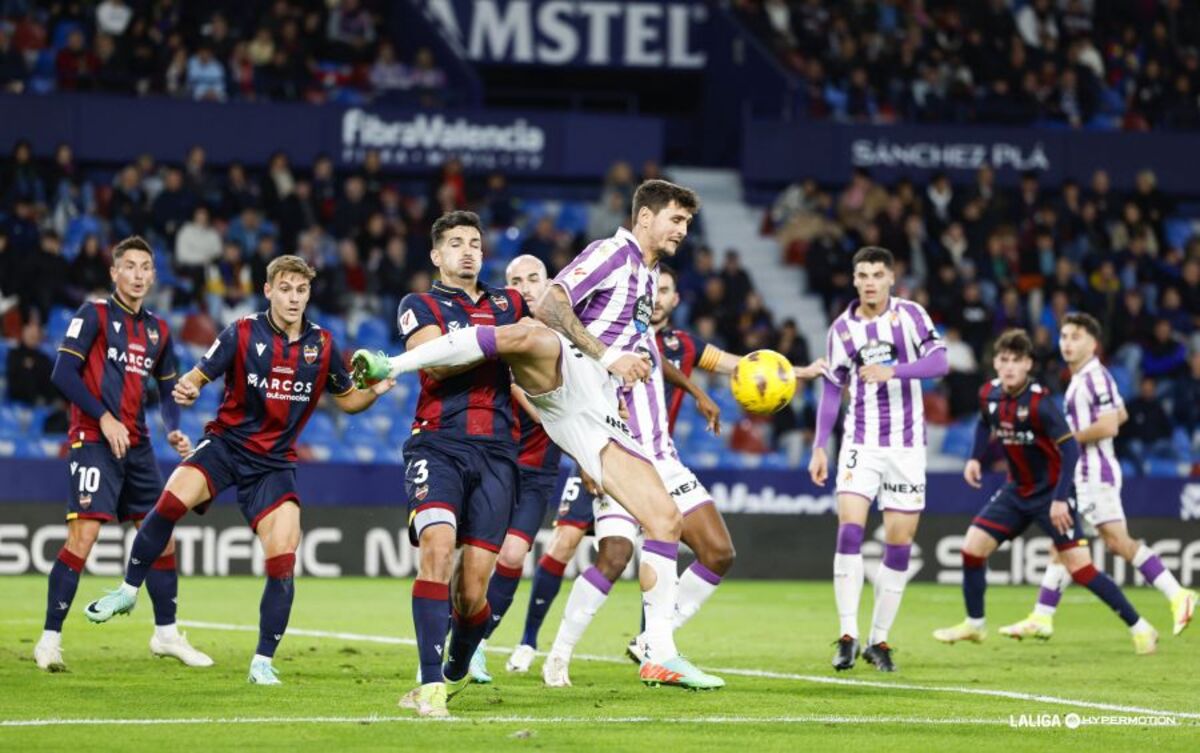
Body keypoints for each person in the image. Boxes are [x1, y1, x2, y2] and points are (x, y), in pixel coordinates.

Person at [354, 181, 726, 705]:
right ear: (644, 217)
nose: (682, 231)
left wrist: (634, 383)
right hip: (567, 373)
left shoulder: (649, 275)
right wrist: (604, 358)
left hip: (595, 407)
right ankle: (389, 362)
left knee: (664, 519)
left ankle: (658, 652)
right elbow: (553, 305)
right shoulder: (610, 254)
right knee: (532, 334)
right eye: (675, 220)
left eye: (686, 223)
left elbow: (635, 345)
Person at [83, 255, 393, 685]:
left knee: (284, 558)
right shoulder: (242, 332)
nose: (293, 298)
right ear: (268, 291)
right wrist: (189, 387)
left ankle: (262, 662)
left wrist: (374, 392)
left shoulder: (322, 344)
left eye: (301, 290)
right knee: (170, 499)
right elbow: (195, 377)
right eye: (285, 289)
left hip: (275, 464)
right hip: (226, 445)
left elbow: (347, 400)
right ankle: (128, 590)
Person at [34, 236, 210, 672]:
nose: (137, 274)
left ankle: (166, 634)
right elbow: (62, 371)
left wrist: (174, 431)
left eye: (145, 267)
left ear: (153, 275)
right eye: (128, 266)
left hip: (138, 444)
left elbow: (168, 390)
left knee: (162, 535)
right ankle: (49, 640)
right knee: (85, 537)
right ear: (114, 272)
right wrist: (104, 417)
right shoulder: (93, 314)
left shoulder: (158, 330)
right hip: (93, 438)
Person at [933, 329, 1159, 655]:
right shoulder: (989, 395)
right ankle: (975, 624)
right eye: (1003, 360)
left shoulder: (1041, 403)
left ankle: (1142, 628)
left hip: (1053, 493)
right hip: (1016, 491)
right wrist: (974, 458)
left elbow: (1070, 452)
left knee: (1081, 568)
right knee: (972, 548)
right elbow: (985, 423)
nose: (1009, 366)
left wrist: (1059, 499)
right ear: (995, 362)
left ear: (1028, 364)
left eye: (1016, 360)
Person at [1000, 314, 1194, 640]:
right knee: (1063, 544)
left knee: (1118, 543)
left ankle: (1178, 594)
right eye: (1063, 336)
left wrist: (1068, 439)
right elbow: (1121, 412)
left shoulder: (1093, 377)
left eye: (1076, 337)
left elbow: (1110, 425)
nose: (1067, 343)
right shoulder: (1083, 378)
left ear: (1093, 344)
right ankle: (1042, 616)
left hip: (1094, 474)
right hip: (1083, 474)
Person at [810, 246, 949, 672]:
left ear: (891, 277)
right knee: (849, 532)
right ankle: (848, 635)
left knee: (899, 544)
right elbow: (833, 389)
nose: (869, 281)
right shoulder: (841, 330)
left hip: (907, 447)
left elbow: (940, 362)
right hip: (860, 443)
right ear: (854, 280)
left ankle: (880, 640)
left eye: (877, 274)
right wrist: (820, 444)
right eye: (862, 275)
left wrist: (895, 371)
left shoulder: (911, 315)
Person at [465, 255, 565, 683]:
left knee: (513, 554)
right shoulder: (507, 333)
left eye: (533, 278)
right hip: (498, 460)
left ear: (549, 282)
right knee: (475, 562)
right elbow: (506, 384)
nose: (525, 286)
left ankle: (478, 647)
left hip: (539, 472)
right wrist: (544, 409)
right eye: (516, 280)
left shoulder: (568, 335)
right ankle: (455, 636)